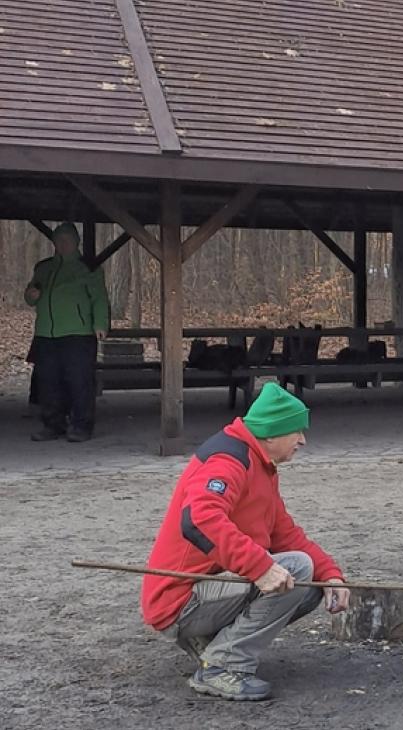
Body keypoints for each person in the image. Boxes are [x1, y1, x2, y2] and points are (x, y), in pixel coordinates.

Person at [141, 383, 350, 701]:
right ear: (271, 434)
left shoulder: (260, 465)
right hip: (179, 599)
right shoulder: (229, 461)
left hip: (204, 590)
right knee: (296, 569)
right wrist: (260, 567)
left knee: (308, 581)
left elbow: (285, 534)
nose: (303, 440)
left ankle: (211, 645)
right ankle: (222, 666)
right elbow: (199, 519)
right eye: (296, 431)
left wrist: (331, 574)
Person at [24, 222, 109, 442]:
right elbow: (31, 295)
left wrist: (100, 324)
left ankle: (81, 426)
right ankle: (53, 425)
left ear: (76, 242)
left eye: (67, 240)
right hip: (46, 334)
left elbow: (99, 298)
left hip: (78, 334)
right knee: (48, 382)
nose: (62, 245)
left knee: (79, 382)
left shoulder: (87, 268)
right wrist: (31, 295)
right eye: (58, 241)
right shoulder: (43, 268)